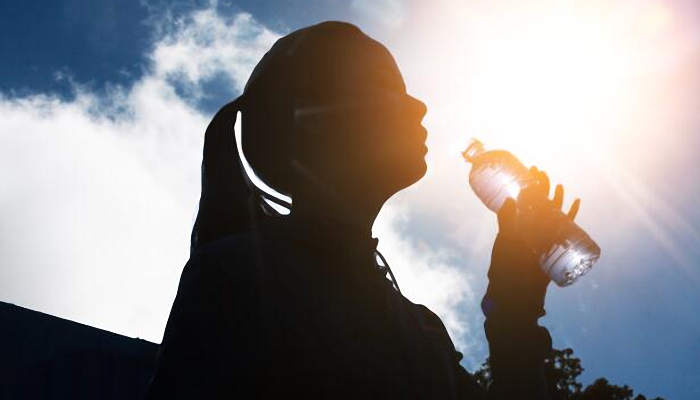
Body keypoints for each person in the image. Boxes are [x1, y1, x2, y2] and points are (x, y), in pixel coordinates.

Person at [144, 21, 581, 399]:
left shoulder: (421, 328)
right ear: (313, 115)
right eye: (387, 88)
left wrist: (514, 305)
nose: (418, 106)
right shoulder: (237, 276)